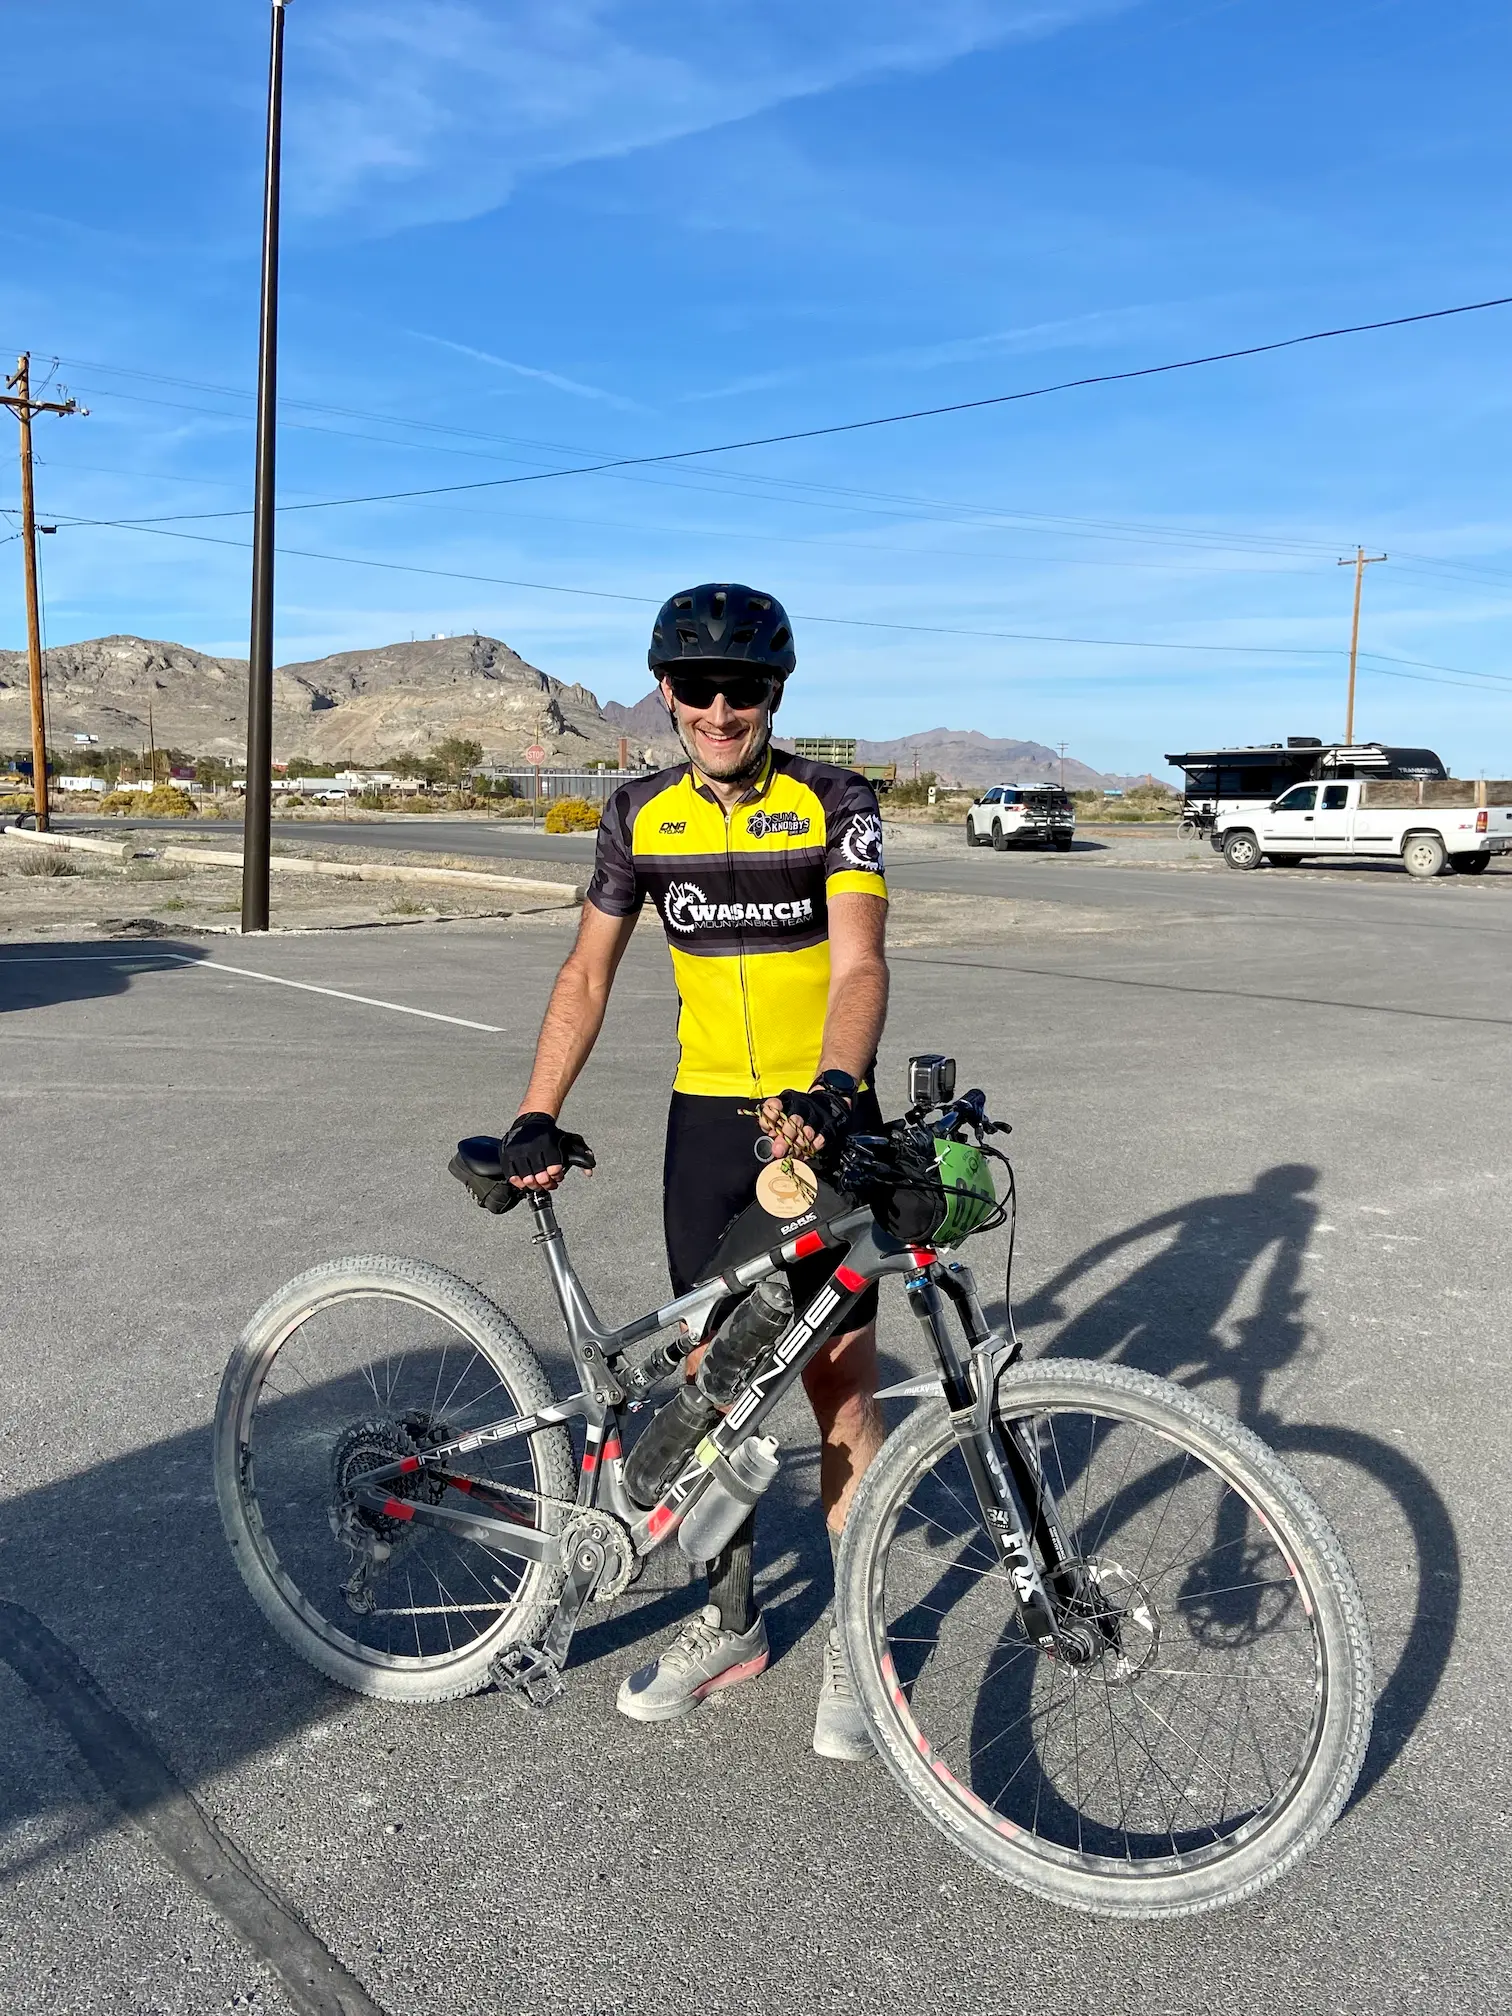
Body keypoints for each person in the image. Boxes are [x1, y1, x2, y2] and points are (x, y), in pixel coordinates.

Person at [499, 582, 890, 1761]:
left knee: (836, 1392)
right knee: (711, 1386)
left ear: (776, 693)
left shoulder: (836, 799)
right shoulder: (636, 815)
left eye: (747, 688)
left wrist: (833, 1090)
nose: (722, 709)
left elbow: (862, 962)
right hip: (705, 1126)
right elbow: (587, 971)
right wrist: (534, 1110)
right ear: (665, 691)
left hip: (822, 1124)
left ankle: (858, 1648)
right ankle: (733, 1623)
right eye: (700, 687)